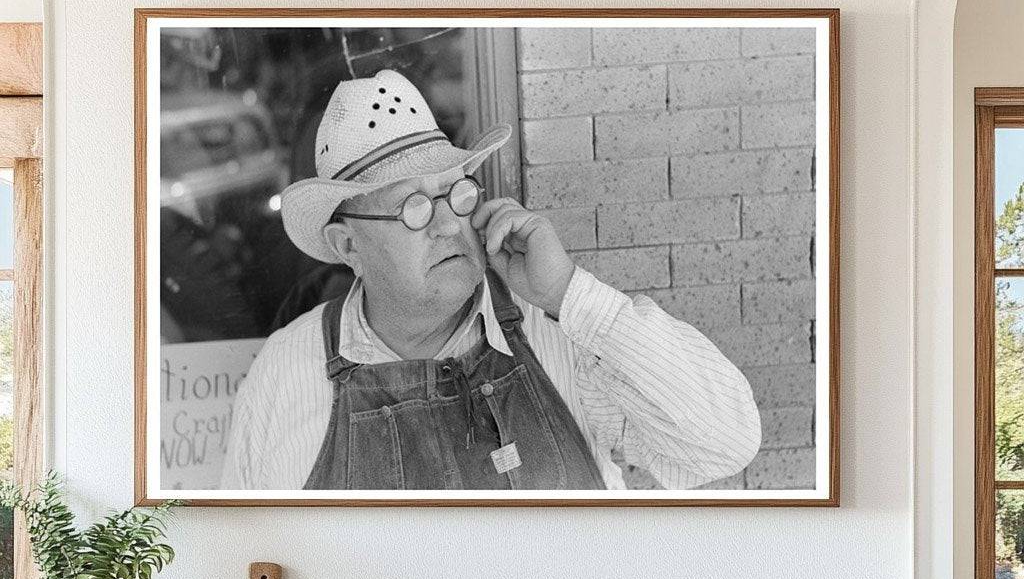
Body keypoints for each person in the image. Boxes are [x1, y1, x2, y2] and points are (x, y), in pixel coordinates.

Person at [220, 69, 761, 491]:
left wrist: (567, 293)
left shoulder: (558, 334)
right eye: (413, 207)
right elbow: (253, 556)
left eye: (456, 191)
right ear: (348, 246)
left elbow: (724, 444)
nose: (451, 224)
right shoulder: (285, 374)